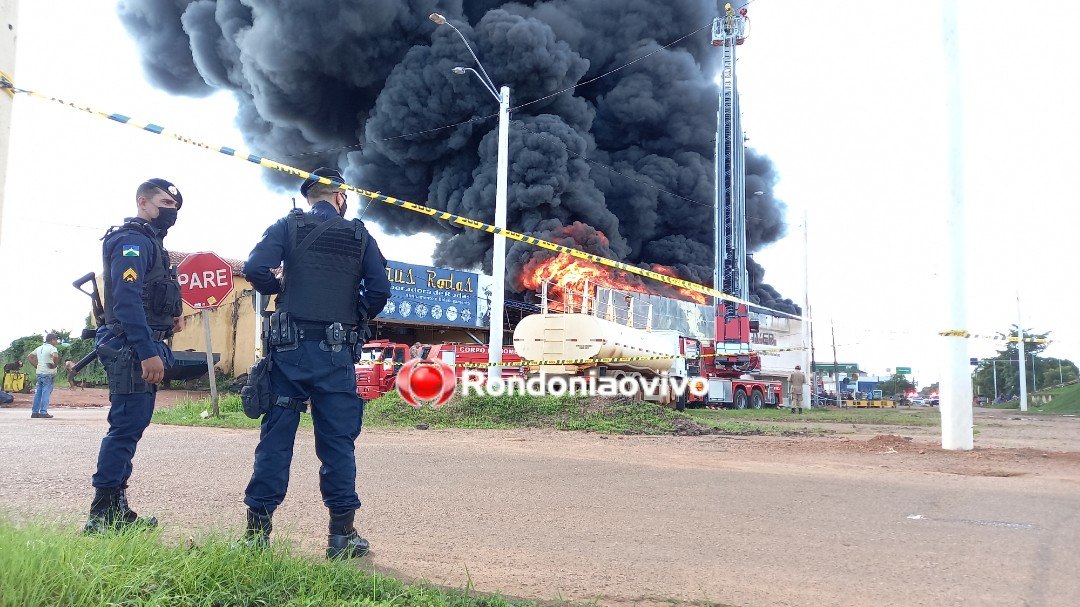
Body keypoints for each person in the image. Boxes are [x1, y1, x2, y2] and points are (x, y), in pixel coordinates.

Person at [241, 167, 390, 559]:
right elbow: (379, 290)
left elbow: (255, 268)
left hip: (289, 353)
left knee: (275, 440)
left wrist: (280, 288)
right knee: (337, 443)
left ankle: (257, 535)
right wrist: (355, 314)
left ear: (310, 197)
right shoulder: (359, 234)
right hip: (334, 354)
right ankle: (341, 538)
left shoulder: (286, 226)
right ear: (340, 198)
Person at [84, 179, 186, 534]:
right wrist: (147, 352)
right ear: (143, 202)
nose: (170, 208)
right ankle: (101, 515)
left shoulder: (152, 244)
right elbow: (126, 302)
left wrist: (168, 318)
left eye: (175, 204)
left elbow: (145, 297)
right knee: (125, 429)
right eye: (164, 201)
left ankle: (115, 509)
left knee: (131, 428)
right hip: (131, 347)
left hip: (143, 343)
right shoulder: (133, 241)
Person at [28, 334, 60, 418]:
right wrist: (55, 365)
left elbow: (30, 357)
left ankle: (34, 412)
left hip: (39, 372)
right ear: (52, 340)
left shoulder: (39, 348)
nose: (56, 341)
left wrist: (36, 365)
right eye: (56, 340)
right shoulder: (52, 348)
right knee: (46, 392)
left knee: (38, 392)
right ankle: (43, 412)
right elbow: (55, 356)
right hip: (48, 373)